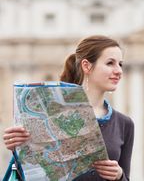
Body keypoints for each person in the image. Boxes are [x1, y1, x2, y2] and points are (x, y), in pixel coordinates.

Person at [3, 35, 134, 181]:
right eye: (110, 63)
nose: (119, 71)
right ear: (87, 66)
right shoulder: (49, 115)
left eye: (120, 64)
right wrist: (18, 149)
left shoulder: (124, 124)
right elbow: (31, 173)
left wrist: (119, 176)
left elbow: (126, 178)